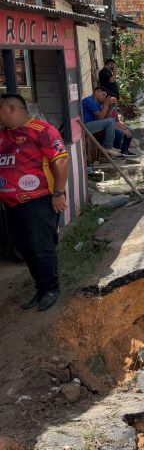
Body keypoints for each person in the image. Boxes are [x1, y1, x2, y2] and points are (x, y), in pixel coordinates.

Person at [0, 94, 69, 311]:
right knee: (24, 248)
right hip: (11, 205)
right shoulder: (3, 135)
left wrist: (58, 193)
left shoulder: (42, 130)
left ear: (11, 108)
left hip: (38, 201)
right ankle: (40, 288)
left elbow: (61, 161)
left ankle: (51, 288)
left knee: (41, 247)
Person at [82, 86, 121, 157]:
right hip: (85, 126)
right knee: (110, 121)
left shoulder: (97, 103)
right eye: (103, 95)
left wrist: (111, 107)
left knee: (111, 120)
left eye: (105, 96)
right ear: (96, 92)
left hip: (91, 125)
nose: (104, 97)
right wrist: (106, 104)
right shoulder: (89, 100)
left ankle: (109, 146)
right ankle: (107, 147)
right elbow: (100, 116)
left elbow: (105, 118)